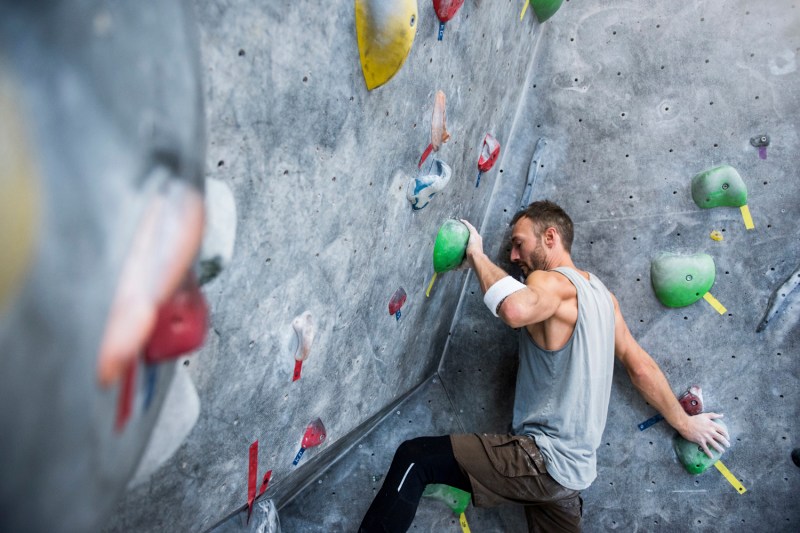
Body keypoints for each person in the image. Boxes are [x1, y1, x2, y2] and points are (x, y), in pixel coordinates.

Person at [359, 200, 730, 532]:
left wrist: (475, 255)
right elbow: (641, 368)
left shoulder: (551, 281)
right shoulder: (603, 297)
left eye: (519, 243)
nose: (515, 255)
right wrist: (685, 424)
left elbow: (516, 309)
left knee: (416, 459)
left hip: (542, 458)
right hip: (573, 475)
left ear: (550, 236)